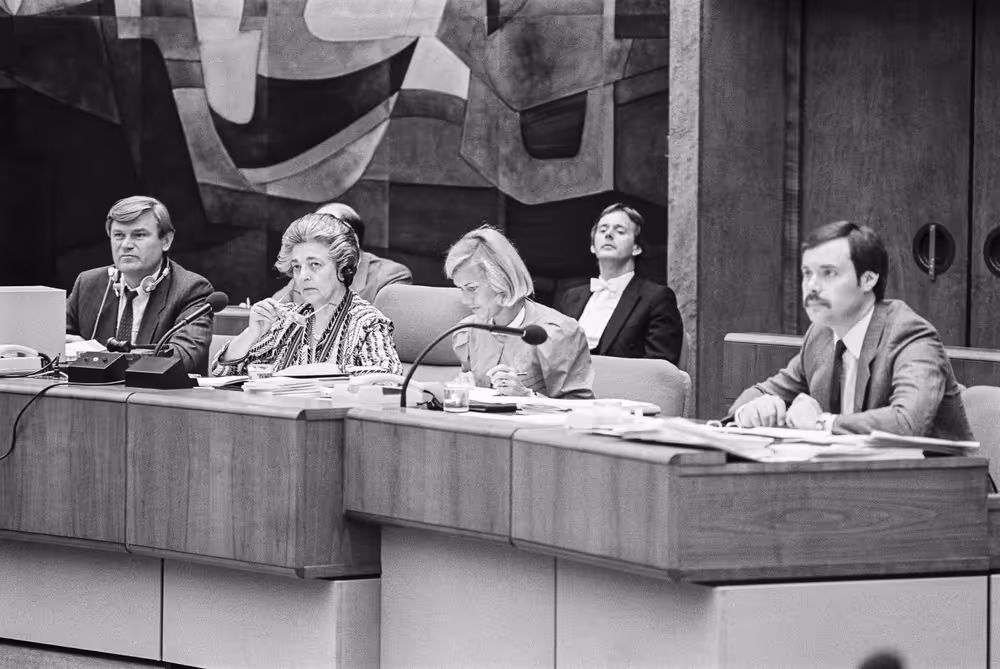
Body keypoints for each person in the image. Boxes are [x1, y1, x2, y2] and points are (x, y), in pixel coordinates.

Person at [728, 220, 973, 440]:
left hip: (940, 484)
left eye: (828, 273)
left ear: (868, 279)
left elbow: (908, 422)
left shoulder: (908, 334)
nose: (811, 287)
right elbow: (760, 392)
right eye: (807, 274)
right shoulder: (821, 335)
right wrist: (751, 411)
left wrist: (822, 423)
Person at [213, 213, 403, 376]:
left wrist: (323, 372)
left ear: (343, 267)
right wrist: (251, 333)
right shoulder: (287, 321)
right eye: (296, 267)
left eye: (315, 265)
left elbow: (389, 377)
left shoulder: (367, 322)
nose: (303, 276)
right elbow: (222, 371)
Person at [65, 196, 214, 374]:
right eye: (118, 235)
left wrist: (99, 356)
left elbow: (180, 359)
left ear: (166, 241)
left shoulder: (191, 289)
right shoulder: (88, 284)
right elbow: (50, 347)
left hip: (157, 399)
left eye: (139, 235)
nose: (126, 245)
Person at [445, 226, 594, 399]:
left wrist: (526, 396)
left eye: (472, 288)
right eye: (461, 289)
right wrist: (464, 387)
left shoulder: (558, 332)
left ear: (501, 281)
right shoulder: (468, 330)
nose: (465, 300)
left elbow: (580, 409)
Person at [555, 203, 684, 365]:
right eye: (602, 230)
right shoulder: (571, 297)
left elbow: (659, 368)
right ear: (592, 246)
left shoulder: (657, 298)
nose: (608, 234)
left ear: (636, 247)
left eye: (620, 231)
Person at [273, 203, 411, 305]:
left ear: (352, 242)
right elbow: (270, 313)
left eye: (322, 234)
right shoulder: (304, 274)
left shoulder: (391, 277)